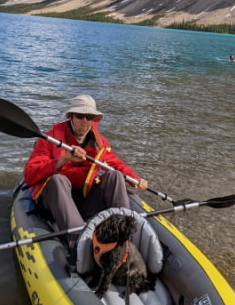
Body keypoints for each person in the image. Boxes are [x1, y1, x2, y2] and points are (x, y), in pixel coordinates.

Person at [22, 94, 147, 250]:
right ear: (71, 117)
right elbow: (30, 175)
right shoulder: (50, 139)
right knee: (58, 180)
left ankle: (123, 237)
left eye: (89, 117)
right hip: (55, 198)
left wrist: (134, 179)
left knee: (115, 176)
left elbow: (116, 164)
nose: (85, 121)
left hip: (83, 198)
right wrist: (63, 159)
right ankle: (79, 244)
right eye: (80, 116)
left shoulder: (99, 143)